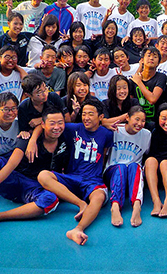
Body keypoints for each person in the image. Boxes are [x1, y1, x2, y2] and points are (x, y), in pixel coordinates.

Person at [0, 107, 68, 230]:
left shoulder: (66, 140)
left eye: (60, 123)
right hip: (15, 179)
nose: (56, 127)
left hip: (35, 189)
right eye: (52, 123)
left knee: (50, 199)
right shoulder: (27, 139)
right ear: (42, 124)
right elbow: (11, 165)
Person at [37, 99, 113, 245]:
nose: (86, 118)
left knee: (99, 197)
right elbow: (46, 126)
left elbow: (104, 155)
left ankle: (78, 229)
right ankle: (81, 204)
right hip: (71, 178)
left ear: (101, 117)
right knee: (43, 175)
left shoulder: (106, 134)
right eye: (84, 114)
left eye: (91, 114)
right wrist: (33, 139)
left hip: (93, 180)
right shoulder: (73, 128)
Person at [104, 105, 151, 227]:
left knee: (134, 166)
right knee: (121, 167)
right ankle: (115, 205)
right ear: (128, 118)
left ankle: (136, 206)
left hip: (132, 175)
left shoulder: (146, 135)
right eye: (136, 119)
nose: (140, 123)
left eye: (143, 120)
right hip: (113, 171)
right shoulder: (115, 130)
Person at [129, 46, 167, 122]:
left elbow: (152, 99)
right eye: (148, 55)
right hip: (137, 121)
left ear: (158, 63)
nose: (151, 58)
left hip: (155, 121)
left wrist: (139, 82)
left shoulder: (161, 77)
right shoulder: (133, 80)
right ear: (142, 60)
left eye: (155, 56)